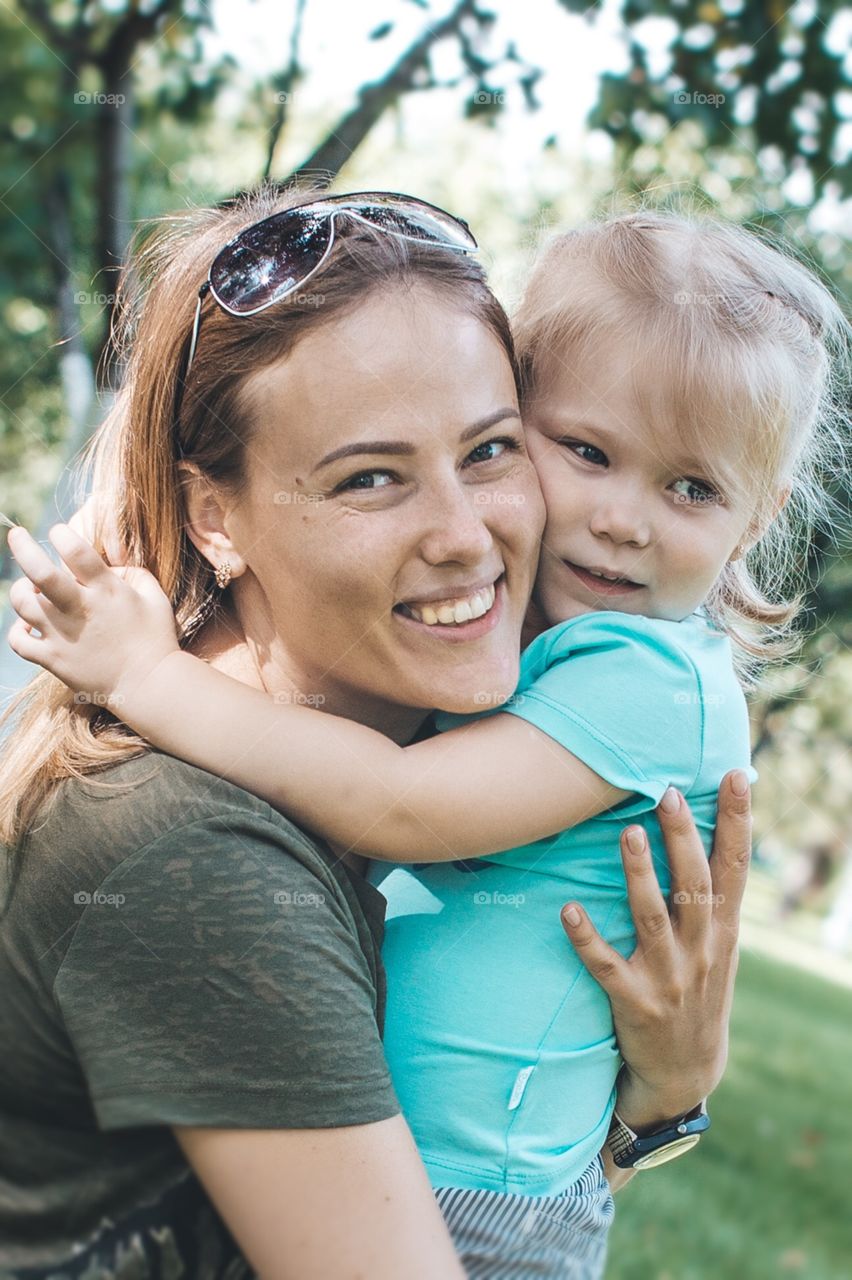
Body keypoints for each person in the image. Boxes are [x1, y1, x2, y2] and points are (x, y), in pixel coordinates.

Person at [2, 190, 754, 1280]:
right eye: (371, 477)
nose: (463, 535)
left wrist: (663, 1093)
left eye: (491, 450)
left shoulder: (409, 774)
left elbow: (456, 1185)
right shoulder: (200, 855)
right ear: (216, 516)